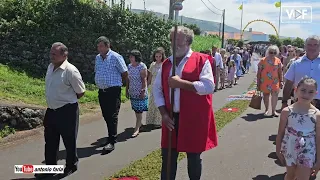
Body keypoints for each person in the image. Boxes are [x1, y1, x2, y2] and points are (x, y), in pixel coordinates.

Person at [153, 26, 218, 180]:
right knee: (168, 157)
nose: (173, 44)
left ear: (188, 41)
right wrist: (163, 113)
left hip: (193, 119)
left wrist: (181, 83)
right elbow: (157, 89)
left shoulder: (202, 60)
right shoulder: (166, 64)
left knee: (193, 158)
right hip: (171, 117)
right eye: (171, 40)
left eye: (178, 41)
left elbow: (209, 86)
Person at [36, 42, 86, 179]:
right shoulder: (50, 67)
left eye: (54, 54)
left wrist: (66, 100)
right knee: (50, 141)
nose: (51, 56)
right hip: (51, 111)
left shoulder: (71, 71)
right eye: (51, 53)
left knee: (69, 140)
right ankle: (50, 168)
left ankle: (71, 166)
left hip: (67, 111)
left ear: (64, 55)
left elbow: (80, 92)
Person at [276, 77, 320, 180]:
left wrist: (318, 159)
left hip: (308, 148)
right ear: (296, 90)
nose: (306, 95)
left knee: (303, 177)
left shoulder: (317, 114)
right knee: (291, 175)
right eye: (303, 90)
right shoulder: (287, 111)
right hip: (290, 146)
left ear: (316, 93)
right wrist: (278, 150)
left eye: (310, 92)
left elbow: (318, 137)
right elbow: (280, 133)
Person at [94, 36, 128, 151]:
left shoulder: (116, 57)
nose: (99, 48)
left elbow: (124, 73)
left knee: (112, 115)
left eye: (101, 46)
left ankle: (112, 141)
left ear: (107, 46)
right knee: (106, 115)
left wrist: (118, 85)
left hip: (113, 91)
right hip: (102, 91)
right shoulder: (98, 58)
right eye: (98, 46)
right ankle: (109, 137)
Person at [282, 35, 320, 110]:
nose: (312, 47)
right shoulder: (296, 64)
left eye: (315, 45)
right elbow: (288, 84)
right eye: (309, 45)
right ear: (305, 46)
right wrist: (284, 101)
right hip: (298, 102)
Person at [126, 50, 148, 137]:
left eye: (132, 57)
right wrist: (127, 89)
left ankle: (137, 128)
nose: (130, 58)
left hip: (140, 91)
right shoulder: (129, 66)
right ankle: (140, 124)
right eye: (130, 57)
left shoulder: (142, 66)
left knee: (139, 111)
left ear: (136, 57)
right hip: (132, 91)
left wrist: (142, 91)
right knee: (136, 110)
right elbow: (128, 79)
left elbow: (144, 80)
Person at [257, 45, 283, 117]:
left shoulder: (278, 60)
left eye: (274, 53)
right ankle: (266, 110)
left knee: (275, 96)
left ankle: (273, 111)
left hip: (275, 81)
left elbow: (280, 72)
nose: (273, 54)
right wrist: (258, 83)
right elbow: (259, 72)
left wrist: (281, 81)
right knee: (266, 95)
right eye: (271, 52)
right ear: (268, 52)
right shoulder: (263, 60)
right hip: (264, 81)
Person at [146, 48, 166, 128]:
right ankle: (151, 121)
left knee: (159, 103)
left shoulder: (164, 65)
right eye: (156, 56)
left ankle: (159, 122)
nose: (158, 58)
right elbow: (150, 76)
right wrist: (147, 85)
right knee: (152, 103)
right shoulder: (152, 64)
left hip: (160, 86)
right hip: (153, 86)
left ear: (162, 56)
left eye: (159, 56)